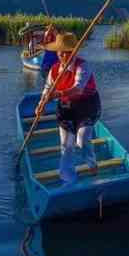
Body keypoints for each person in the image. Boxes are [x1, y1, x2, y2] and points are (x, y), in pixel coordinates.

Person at [38, 33, 101, 184]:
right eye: (60, 52)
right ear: (57, 52)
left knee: (83, 138)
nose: (63, 55)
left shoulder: (83, 66)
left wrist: (58, 93)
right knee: (66, 146)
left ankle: (91, 162)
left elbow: (78, 88)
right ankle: (68, 179)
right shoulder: (54, 70)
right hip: (66, 108)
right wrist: (40, 104)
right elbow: (47, 89)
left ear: (74, 51)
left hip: (86, 106)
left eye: (67, 52)